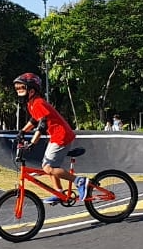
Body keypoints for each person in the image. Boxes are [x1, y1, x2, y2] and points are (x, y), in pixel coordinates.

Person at [14, 73, 88, 205]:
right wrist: (23, 132)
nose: (19, 91)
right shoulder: (31, 104)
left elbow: (42, 125)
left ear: (31, 90)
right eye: (17, 88)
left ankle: (80, 181)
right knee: (48, 165)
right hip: (56, 136)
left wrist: (32, 143)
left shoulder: (38, 103)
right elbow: (34, 120)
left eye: (22, 88)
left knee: (48, 167)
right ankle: (58, 192)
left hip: (62, 135)